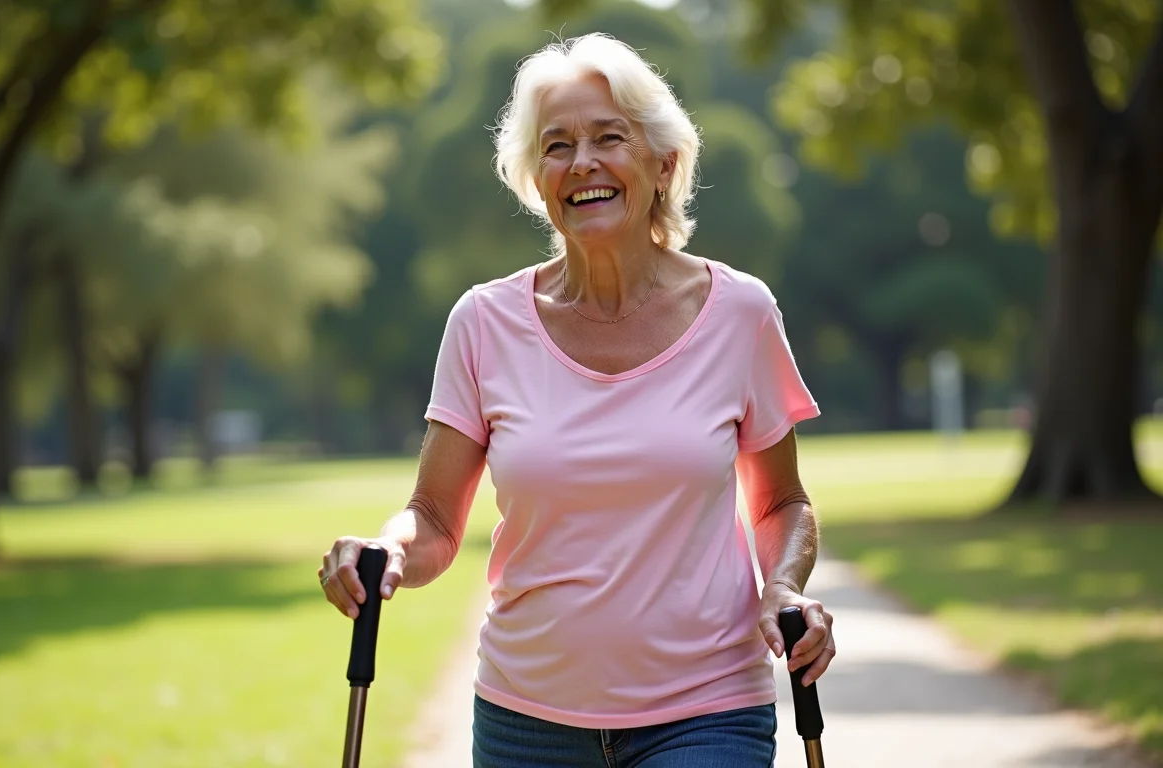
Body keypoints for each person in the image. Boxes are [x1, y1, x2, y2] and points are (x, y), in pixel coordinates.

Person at [319, 33, 835, 767]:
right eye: (556, 146)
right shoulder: (483, 323)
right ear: (538, 181)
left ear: (664, 164)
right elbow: (432, 516)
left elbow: (781, 502)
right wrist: (388, 548)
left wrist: (782, 585)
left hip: (707, 710)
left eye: (609, 137)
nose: (582, 162)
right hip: (525, 724)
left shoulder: (739, 312)